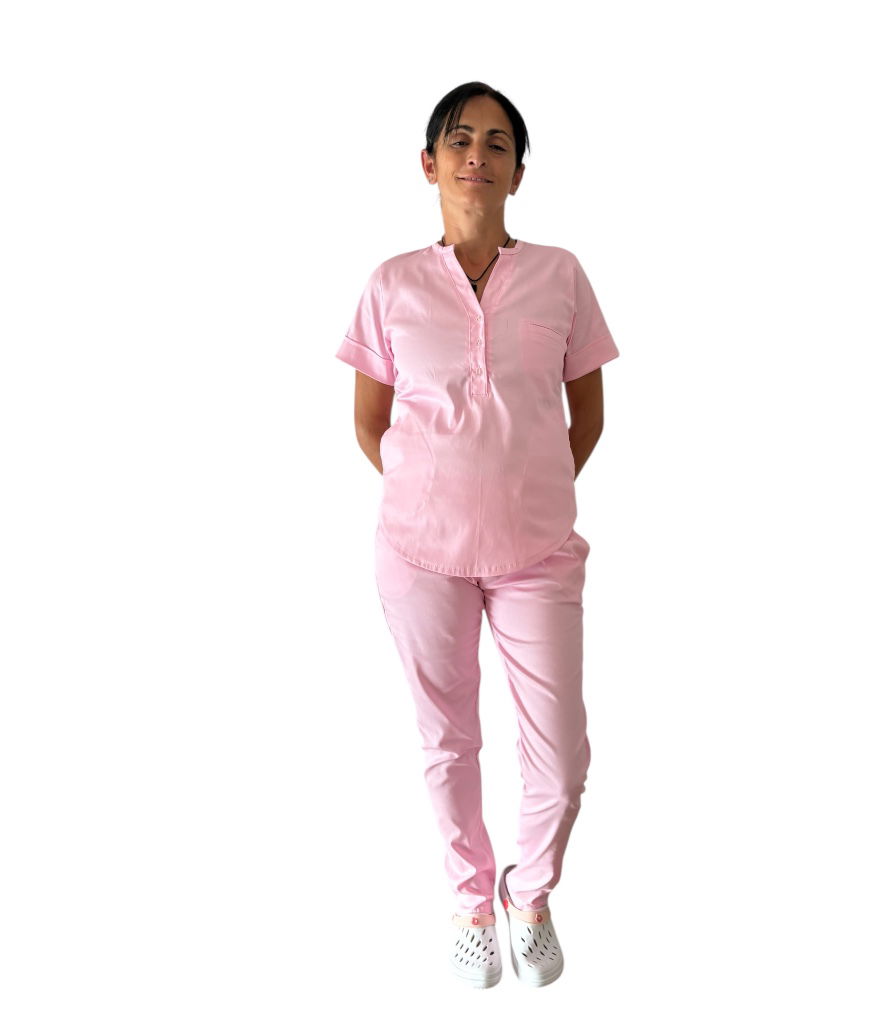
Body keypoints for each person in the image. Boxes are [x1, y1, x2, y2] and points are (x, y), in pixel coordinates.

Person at [335, 82, 620, 988]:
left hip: (537, 549)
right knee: (447, 738)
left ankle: (528, 893)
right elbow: (370, 421)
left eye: (498, 144)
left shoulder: (561, 275)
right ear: (429, 164)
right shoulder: (391, 284)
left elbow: (587, 414)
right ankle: (469, 900)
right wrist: (433, 489)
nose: (477, 156)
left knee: (562, 757)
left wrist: (524, 488)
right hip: (420, 553)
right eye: (460, 141)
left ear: (518, 174)